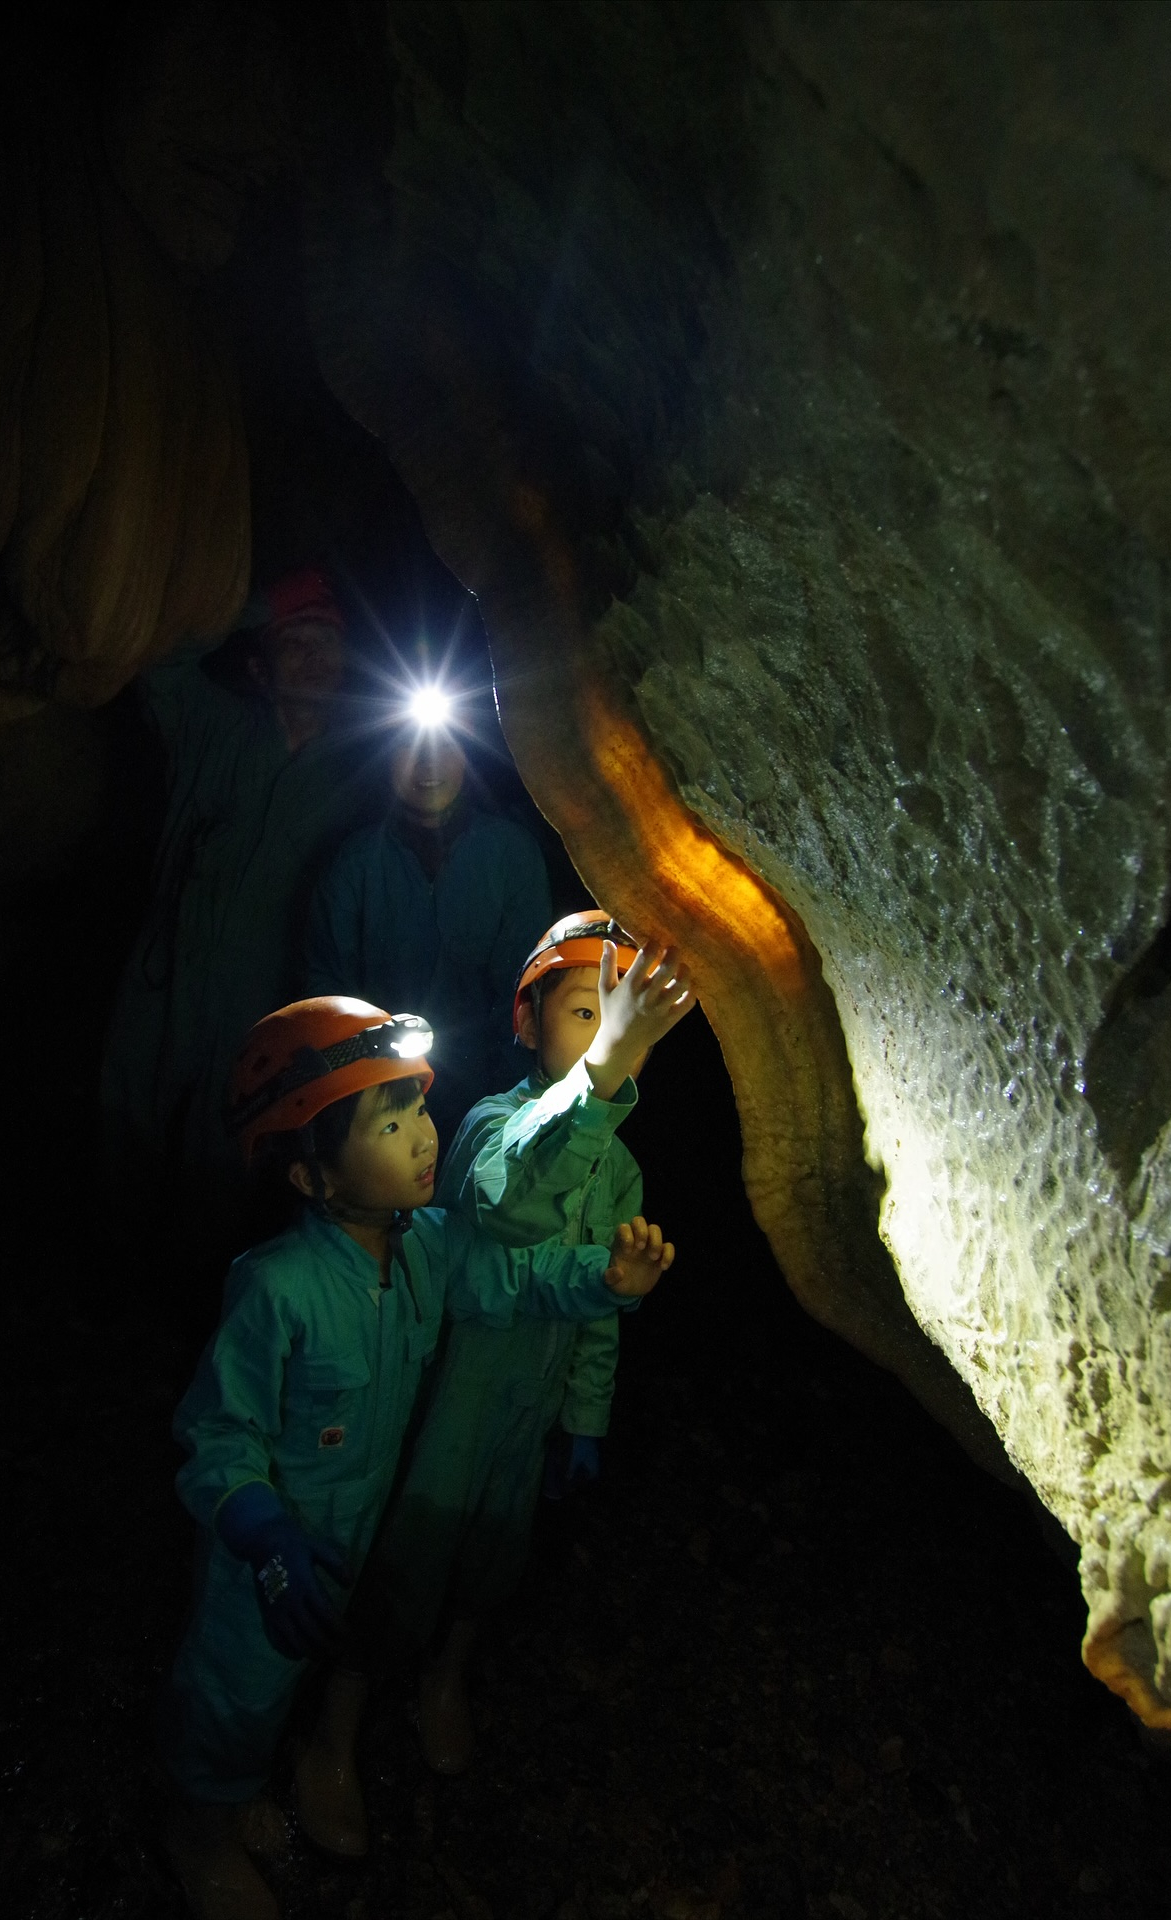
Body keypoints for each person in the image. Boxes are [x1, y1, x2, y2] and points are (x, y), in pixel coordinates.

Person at [159, 993, 679, 1920]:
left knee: (283, 1690)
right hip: (266, 1558)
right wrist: (264, 1532)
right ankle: (197, 1833)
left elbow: (503, 1279)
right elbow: (217, 1434)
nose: (424, 1136)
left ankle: (233, 1794)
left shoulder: (425, 1248)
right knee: (230, 1689)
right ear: (313, 1180)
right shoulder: (278, 1288)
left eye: (418, 1109)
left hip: (349, 1537)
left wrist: (601, 1277)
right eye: (388, 1121)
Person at [365, 911, 696, 1775]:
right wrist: (601, 1074)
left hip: (530, 1405)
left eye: (625, 1024)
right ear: (527, 1022)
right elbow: (511, 1203)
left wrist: (586, 1416)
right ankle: (345, 1709)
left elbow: (597, 1318)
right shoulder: (486, 1124)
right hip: (455, 1398)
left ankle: (445, 1681)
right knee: (412, 1546)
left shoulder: (620, 1170)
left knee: (494, 1553)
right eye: (585, 1012)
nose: (607, 1036)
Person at [100, 568, 367, 1219]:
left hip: (265, 1014)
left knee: (221, 1178)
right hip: (162, 986)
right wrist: (256, 605)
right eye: (294, 639)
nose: (312, 655)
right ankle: (96, 1298)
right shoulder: (211, 725)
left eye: (327, 641)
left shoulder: (361, 776)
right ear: (259, 662)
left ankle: (191, 1312)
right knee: (117, 1150)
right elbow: (156, 655)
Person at [303, 697, 551, 1146]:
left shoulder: (511, 855)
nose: (428, 763)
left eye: (445, 744)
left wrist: (507, 1109)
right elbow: (325, 990)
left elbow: (527, 993)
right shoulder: (355, 866)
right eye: (408, 746)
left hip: (491, 1106)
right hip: (381, 1105)